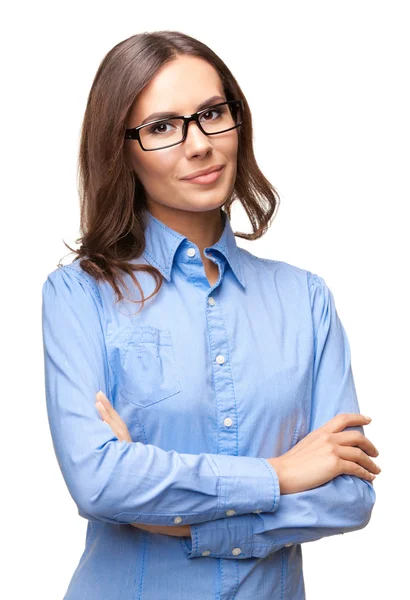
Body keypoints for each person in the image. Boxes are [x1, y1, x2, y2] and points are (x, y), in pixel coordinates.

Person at [41, 30, 380, 600]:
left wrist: (178, 518)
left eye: (212, 113)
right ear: (119, 147)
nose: (198, 144)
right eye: (161, 127)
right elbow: (99, 481)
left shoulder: (306, 299)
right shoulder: (80, 295)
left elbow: (349, 496)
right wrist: (282, 474)